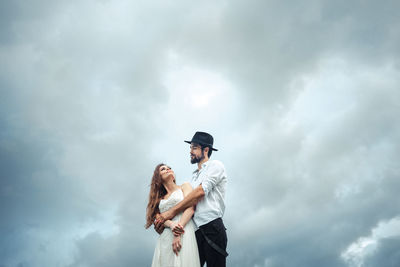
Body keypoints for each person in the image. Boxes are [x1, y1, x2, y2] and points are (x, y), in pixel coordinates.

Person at [155, 131, 228, 267]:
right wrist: (165, 223)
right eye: (190, 148)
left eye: (194, 147)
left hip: (212, 226)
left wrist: (170, 213)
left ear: (205, 150)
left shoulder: (215, 166)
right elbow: (185, 204)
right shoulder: (192, 178)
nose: (190, 151)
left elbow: (200, 192)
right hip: (193, 232)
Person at [145, 163, 200, 267]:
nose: (168, 169)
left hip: (185, 229)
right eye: (163, 169)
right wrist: (171, 225)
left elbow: (191, 208)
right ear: (158, 177)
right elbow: (158, 218)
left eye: (169, 168)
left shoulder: (185, 186)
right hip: (166, 236)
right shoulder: (159, 199)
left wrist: (178, 231)